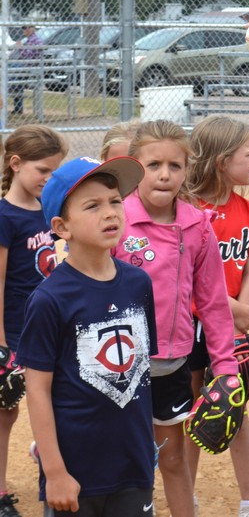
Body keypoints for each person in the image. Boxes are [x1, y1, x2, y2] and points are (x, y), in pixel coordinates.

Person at [16, 155, 157, 515]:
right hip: (76, 472)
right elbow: (37, 390)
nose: (110, 213)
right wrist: (55, 472)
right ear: (62, 227)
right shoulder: (50, 299)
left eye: (115, 202)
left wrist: (145, 451)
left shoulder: (139, 283)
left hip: (133, 466)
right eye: (93, 205)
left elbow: (137, 375)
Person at [112, 119, 238, 517]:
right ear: (135, 166)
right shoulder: (116, 221)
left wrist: (226, 366)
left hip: (170, 363)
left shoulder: (197, 226)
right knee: (120, 462)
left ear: (187, 169)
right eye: (153, 165)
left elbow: (215, 302)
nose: (165, 175)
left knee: (171, 459)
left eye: (175, 165)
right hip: (116, 365)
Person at [187, 115, 249, 517]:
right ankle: (188, 497)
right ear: (222, 161)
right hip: (190, 324)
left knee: (233, 407)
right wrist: (229, 308)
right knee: (192, 410)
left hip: (228, 327)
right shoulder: (187, 209)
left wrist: (241, 313)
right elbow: (182, 277)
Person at [0, 125, 68, 517]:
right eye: (42, 170)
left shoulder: (49, 212)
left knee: (57, 404)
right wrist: (1, 345)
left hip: (48, 327)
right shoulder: (5, 217)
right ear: (16, 164)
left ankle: (53, 472)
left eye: (53, 173)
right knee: (4, 412)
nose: (48, 179)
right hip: (13, 331)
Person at [9, 25, 43, 115]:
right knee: (15, 76)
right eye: (24, 28)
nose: (24, 30)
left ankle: (8, 88)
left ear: (32, 29)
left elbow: (29, 56)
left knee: (13, 69)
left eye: (26, 28)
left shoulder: (36, 40)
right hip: (24, 66)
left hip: (31, 66)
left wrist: (20, 48)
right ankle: (18, 107)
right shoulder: (28, 40)